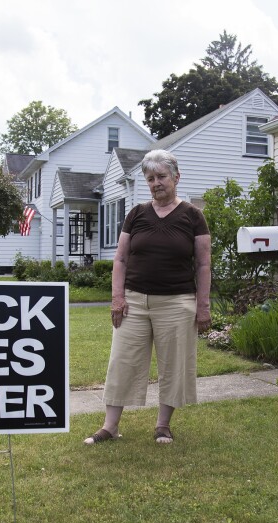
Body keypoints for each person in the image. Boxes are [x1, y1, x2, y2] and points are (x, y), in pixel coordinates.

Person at [84, 149, 211, 445]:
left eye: (161, 177)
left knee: (174, 364)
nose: (156, 183)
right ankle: (110, 426)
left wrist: (202, 306)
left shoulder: (193, 216)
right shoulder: (137, 214)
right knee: (122, 361)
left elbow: (203, 264)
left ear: (176, 178)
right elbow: (120, 259)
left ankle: (163, 425)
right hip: (134, 301)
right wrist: (117, 298)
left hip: (177, 302)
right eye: (150, 178)